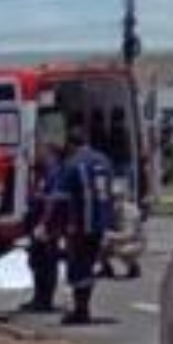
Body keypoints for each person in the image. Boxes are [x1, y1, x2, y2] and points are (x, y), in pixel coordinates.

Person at [58, 127, 115, 326]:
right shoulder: (104, 161)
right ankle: (83, 308)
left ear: (71, 144)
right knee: (88, 264)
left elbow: (62, 197)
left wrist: (59, 225)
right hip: (101, 222)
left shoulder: (73, 164)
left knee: (78, 266)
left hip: (81, 223)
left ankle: (81, 310)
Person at [23, 143, 66, 313]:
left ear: (51, 155)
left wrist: (44, 224)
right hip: (37, 222)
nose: (39, 154)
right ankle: (38, 298)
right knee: (36, 261)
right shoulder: (42, 173)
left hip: (48, 226)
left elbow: (51, 201)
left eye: (42, 152)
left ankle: (45, 301)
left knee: (46, 263)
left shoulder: (55, 173)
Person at [98, 181, 144, 280]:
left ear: (123, 198)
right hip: (116, 239)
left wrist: (108, 235)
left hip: (135, 242)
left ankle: (133, 267)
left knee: (123, 250)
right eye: (113, 198)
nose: (115, 201)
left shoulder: (131, 211)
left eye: (118, 198)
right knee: (97, 243)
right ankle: (106, 268)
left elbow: (129, 234)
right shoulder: (107, 210)